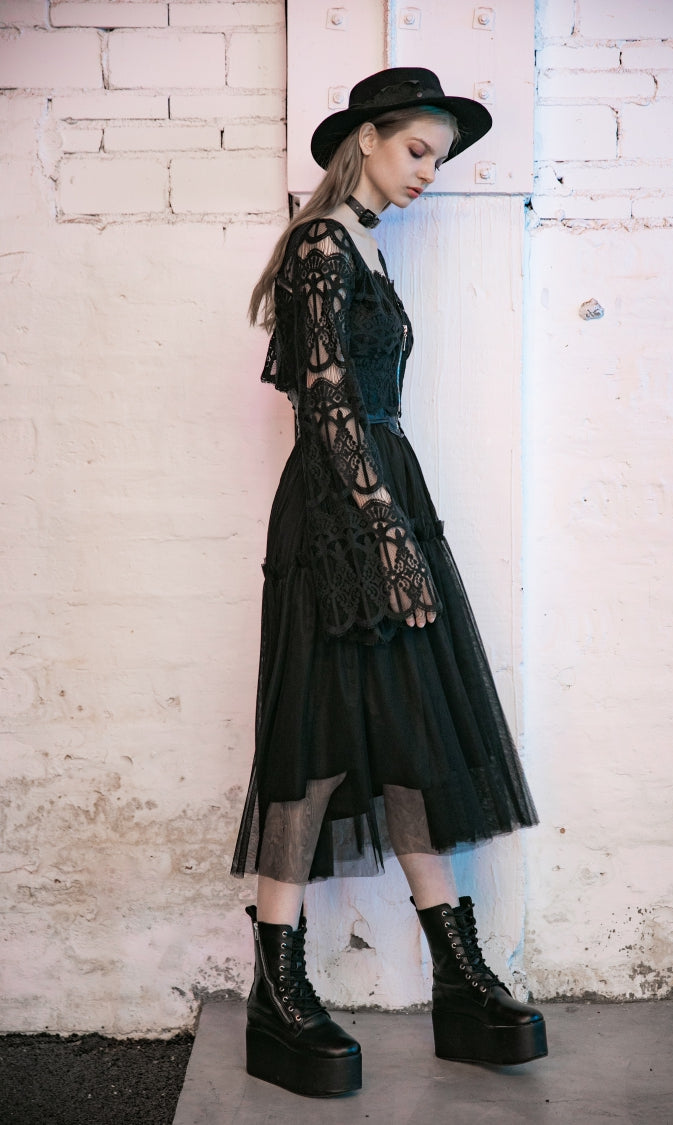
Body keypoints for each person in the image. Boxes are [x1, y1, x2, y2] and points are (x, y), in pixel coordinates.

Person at [231, 67, 547, 1097]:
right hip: (343, 508)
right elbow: (325, 403)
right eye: (417, 150)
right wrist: (381, 532)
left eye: (437, 161)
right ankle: (277, 988)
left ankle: (458, 975)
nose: (427, 173)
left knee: (413, 732)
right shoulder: (323, 245)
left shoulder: (365, 246)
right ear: (364, 139)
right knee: (314, 739)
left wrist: (395, 522)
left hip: (381, 494)